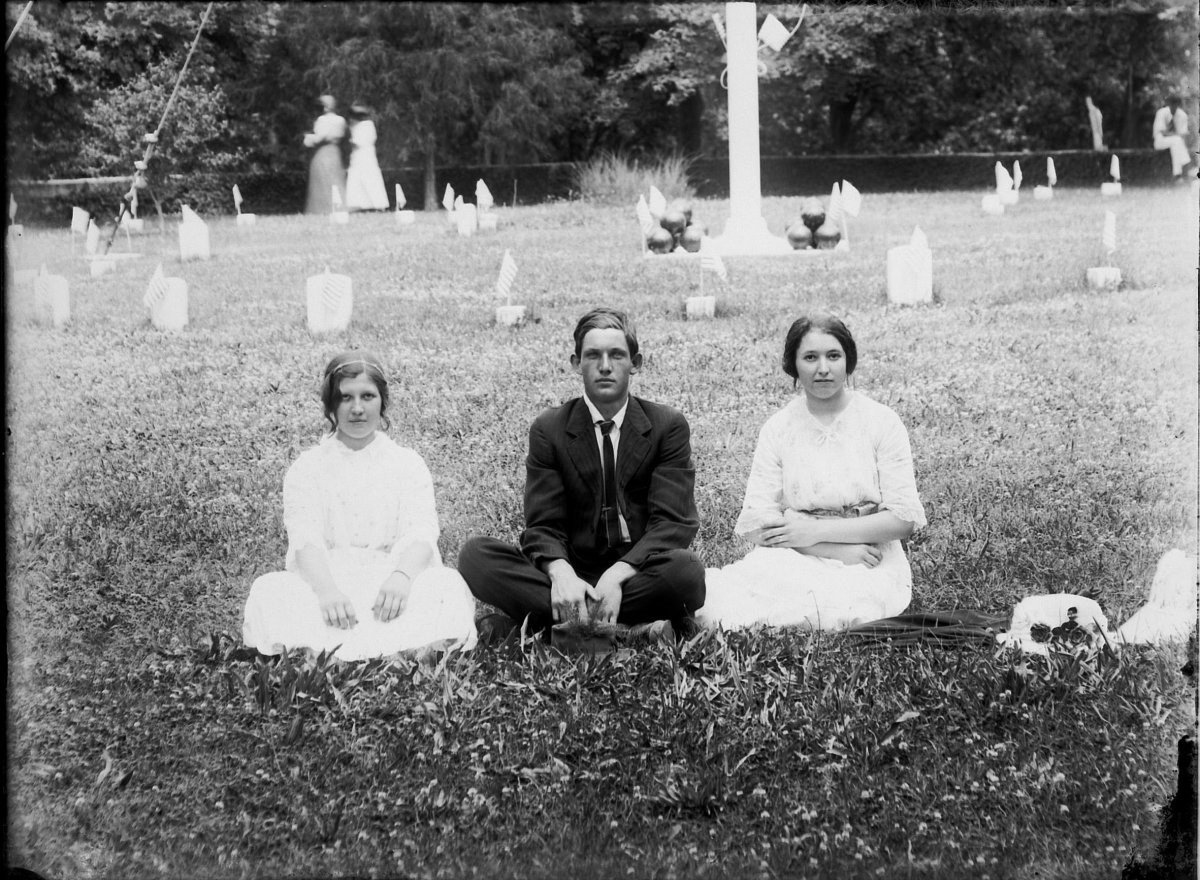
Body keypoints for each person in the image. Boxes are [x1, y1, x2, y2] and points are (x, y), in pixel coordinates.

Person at [458, 308, 706, 646]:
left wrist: (618, 575)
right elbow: (542, 524)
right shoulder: (550, 429)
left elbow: (672, 523)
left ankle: (546, 629)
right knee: (476, 557)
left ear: (636, 362)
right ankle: (630, 631)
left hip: (637, 572)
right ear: (577, 363)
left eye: (616, 354)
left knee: (687, 574)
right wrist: (561, 574)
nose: (605, 366)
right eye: (593, 355)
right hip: (571, 574)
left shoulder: (666, 426)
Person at [698, 315, 927, 632]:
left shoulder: (881, 422)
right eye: (810, 357)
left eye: (833, 356)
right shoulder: (778, 429)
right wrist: (822, 545)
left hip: (869, 555)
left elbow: (902, 520)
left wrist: (819, 532)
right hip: (796, 552)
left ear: (849, 360)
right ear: (793, 365)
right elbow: (756, 521)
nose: (823, 368)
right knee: (719, 606)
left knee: (846, 610)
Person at [242, 351, 477, 660]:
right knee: (269, 591)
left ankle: (365, 645)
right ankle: (359, 646)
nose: (357, 409)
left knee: (446, 585)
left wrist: (402, 578)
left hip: (391, 581)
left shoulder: (407, 463)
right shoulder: (308, 467)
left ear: (382, 402)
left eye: (367, 396)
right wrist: (326, 591)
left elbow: (422, 531)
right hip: (328, 582)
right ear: (330, 405)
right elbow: (304, 539)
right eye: (345, 398)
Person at [303, 95, 348, 214]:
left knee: (322, 181)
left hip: (322, 153)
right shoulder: (341, 120)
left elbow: (319, 138)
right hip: (335, 151)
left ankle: (323, 208)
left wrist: (308, 139)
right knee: (336, 179)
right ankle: (340, 207)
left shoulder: (322, 120)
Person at [345, 103, 390, 212]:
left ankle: (376, 204)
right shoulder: (368, 125)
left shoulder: (364, 126)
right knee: (362, 179)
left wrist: (349, 139)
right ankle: (360, 204)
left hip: (363, 157)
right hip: (362, 156)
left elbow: (357, 143)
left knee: (367, 179)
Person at [1153, 96, 1195, 182]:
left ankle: (1177, 176)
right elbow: (1162, 133)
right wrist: (1176, 135)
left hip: (1177, 143)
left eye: (1175, 104)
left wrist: (1177, 135)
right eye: (1171, 104)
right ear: (1168, 104)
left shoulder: (1182, 115)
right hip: (1160, 141)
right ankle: (1187, 164)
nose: (1173, 106)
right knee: (1177, 140)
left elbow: (1183, 135)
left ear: (1178, 105)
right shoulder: (1161, 113)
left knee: (1176, 144)